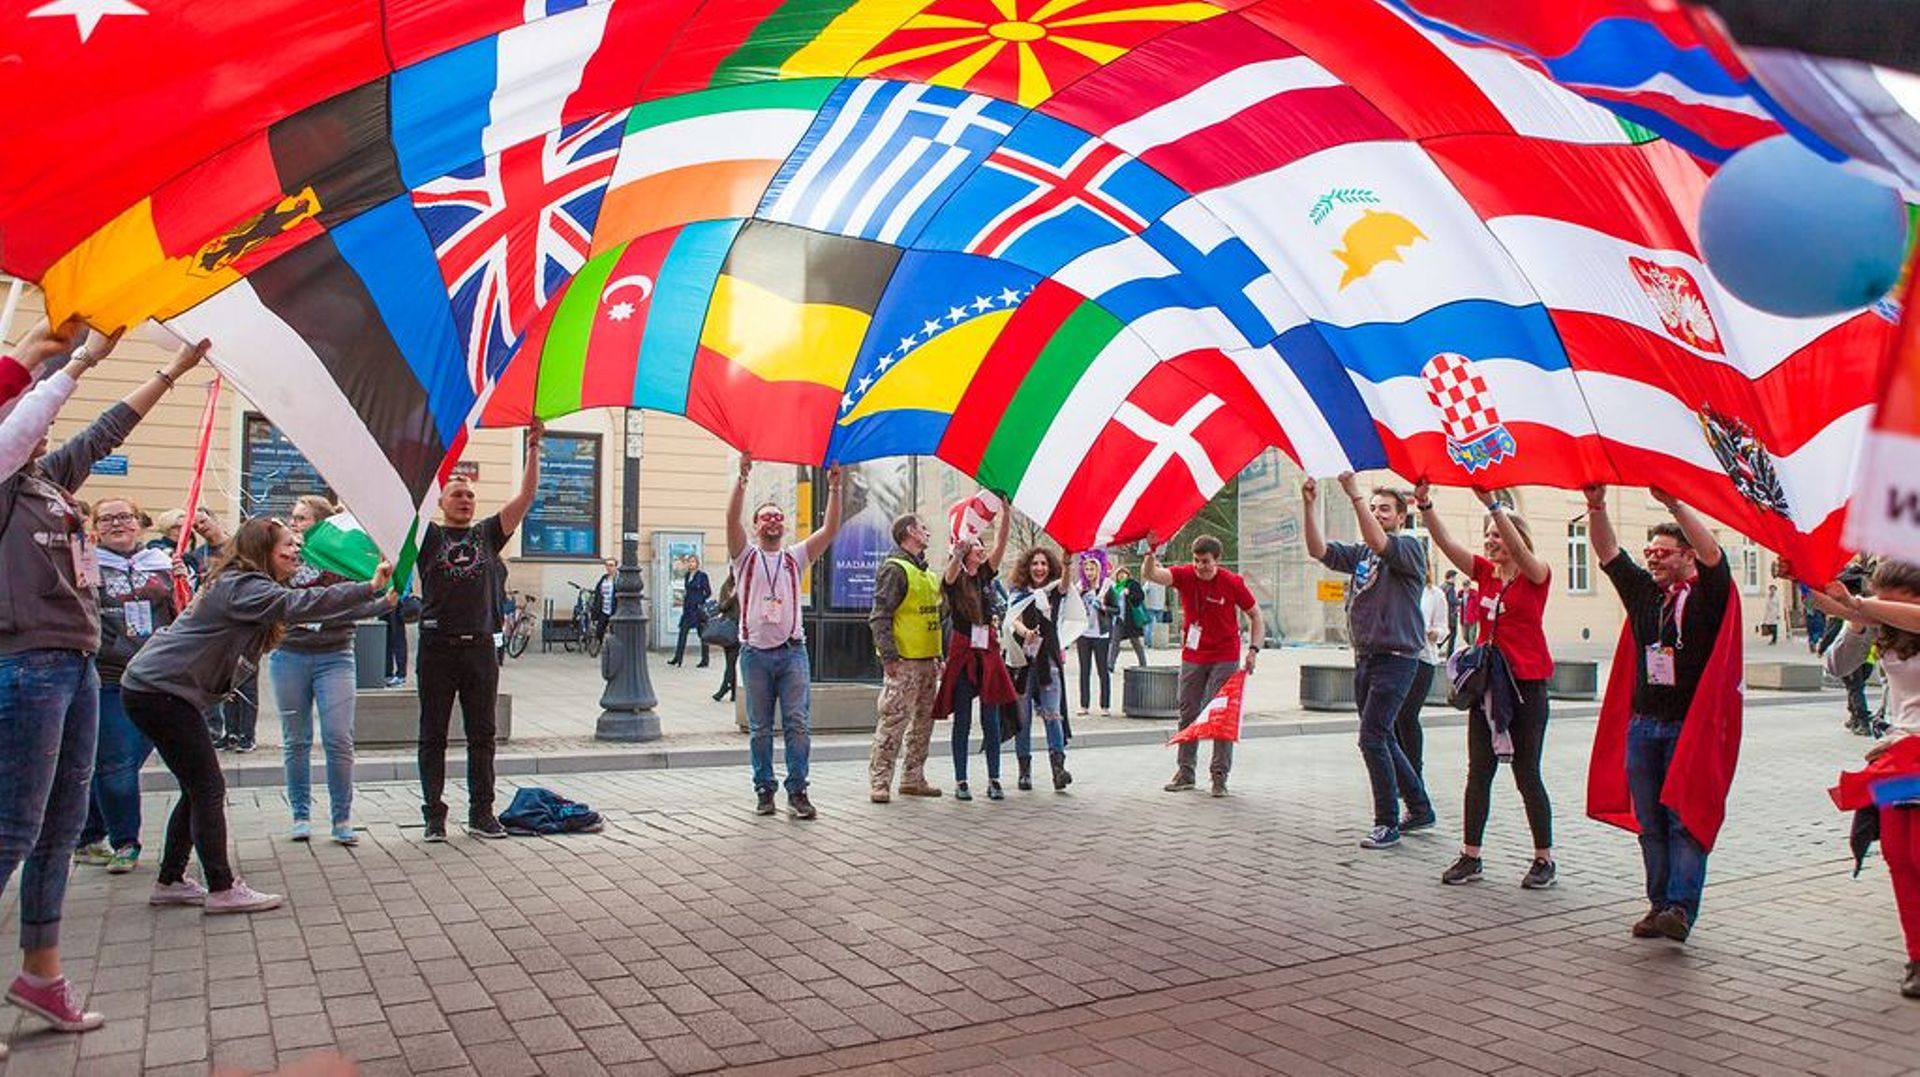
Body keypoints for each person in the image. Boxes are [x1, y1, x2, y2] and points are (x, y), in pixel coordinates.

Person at [0, 330, 198, 1043]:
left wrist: (172, 371)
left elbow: (106, 430)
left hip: (74, 663)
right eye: (27, 406)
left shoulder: (46, 480)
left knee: (58, 827)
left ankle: (40, 975)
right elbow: (22, 421)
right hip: (25, 664)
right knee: (12, 828)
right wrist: (74, 360)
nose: (42, 419)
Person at [123, 518, 396, 914]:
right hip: (160, 691)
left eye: (297, 544)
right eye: (288, 545)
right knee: (207, 788)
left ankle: (171, 880)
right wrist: (368, 586)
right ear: (261, 549)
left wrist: (378, 601)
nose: (297, 551)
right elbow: (300, 605)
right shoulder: (243, 586)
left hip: (160, 690)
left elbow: (305, 609)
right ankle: (221, 887)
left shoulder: (247, 585)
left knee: (196, 787)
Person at [1585, 484, 1741, 944]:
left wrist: (1676, 503)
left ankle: (1680, 907)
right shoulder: (1645, 596)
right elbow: (1608, 551)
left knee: (1683, 818)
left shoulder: (1708, 595)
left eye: (1663, 552)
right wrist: (1596, 506)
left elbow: (1713, 555)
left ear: (1687, 556)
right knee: (1651, 822)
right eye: (1649, 551)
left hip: (1689, 728)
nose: (1652, 559)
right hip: (1643, 725)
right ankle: (1658, 905)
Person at [1416, 485, 1558, 890]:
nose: (1490, 541)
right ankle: (1471, 856)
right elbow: (1446, 542)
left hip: (1525, 685)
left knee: (1527, 773)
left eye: (1497, 535)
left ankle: (1544, 859)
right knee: (1479, 771)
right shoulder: (1484, 573)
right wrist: (1425, 505)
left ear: (1517, 538)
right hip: (1487, 688)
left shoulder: (1536, 574)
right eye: (1487, 535)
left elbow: (1523, 554)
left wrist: (1495, 507)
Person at [416, 423, 542, 841]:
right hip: (437, 648)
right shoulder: (427, 536)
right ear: (441, 502)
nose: (465, 500)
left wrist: (533, 448)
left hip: (480, 649)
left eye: (470, 495)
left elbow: (525, 499)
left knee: (482, 736)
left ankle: (481, 813)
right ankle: (434, 816)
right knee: (432, 736)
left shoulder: (487, 534)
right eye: (457, 494)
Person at [1303, 472, 1435, 849]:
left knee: (1372, 737)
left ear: (1401, 517)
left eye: (1385, 510)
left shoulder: (1409, 548)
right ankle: (1420, 807)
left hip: (1397, 657)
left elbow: (1380, 542)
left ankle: (1386, 822)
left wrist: (1355, 495)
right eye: (1374, 508)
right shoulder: (1362, 555)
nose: (1377, 514)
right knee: (1383, 735)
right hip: (1366, 657)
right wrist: (1309, 505)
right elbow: (1318, 550)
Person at [1814, 561, 1920, 999]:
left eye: (1893, 602)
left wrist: (1857, 604)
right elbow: (1837, 665)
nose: (1883, 608)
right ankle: (1917, 957)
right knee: (1899, 854)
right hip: (1901, 758)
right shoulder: (1881, 626)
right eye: (1880, 598)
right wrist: (1851, 617)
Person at [727, 457, 845, 819]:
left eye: (778, 517)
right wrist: (742, 479)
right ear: (755, 526)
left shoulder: (795, 557)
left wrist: (835, 487)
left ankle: (798, 791)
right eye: (766, 517)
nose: (773, 521)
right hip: (755, 654)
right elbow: (730, 520)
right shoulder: (745, 557)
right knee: (760, 729)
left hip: (793, 653)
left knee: (797, 724)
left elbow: (830, 529)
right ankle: (765, 790)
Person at [273, 495, 389, 845]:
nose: (294, 524)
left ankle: (341, 818)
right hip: (289, 655)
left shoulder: (343, 558)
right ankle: (300, 815)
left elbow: (356, 605)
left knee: (338, 738)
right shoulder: (284, 560)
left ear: (323, 525)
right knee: (296, 740)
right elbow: (276, 604)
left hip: (335, 655)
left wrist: (384, 600)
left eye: (302, 519)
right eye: (293, 518)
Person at [74, 497, 178, 876]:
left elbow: (178, 612)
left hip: (154, 677)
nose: (117, 524)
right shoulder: (85, 561)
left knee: (123, 761)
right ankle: (125, 842)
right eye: (107, 519)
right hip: (110, 676)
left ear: (139, 522)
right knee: (117, 762)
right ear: (95, 528)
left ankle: (87, 835)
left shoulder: (161, 563)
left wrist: (183, 580)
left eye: (125, 516)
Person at [1144, 535, 1262, 797]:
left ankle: (1219, 775)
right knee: (1188, 710)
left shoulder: (1232, 582)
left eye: (1206, 561)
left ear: (1217, 560)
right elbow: (1151, 574)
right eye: (1196, 560)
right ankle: (1185, 772)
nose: (1200, 566)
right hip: (1194, 655)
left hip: (1225, 655)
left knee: (1221, 714)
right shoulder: (1185, 575)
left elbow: (1255, 615)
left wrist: (1253, 650)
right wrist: (1151, 551)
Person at [936, 512, 1015, 802]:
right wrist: (958, 552)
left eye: (982, 544)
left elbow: (1001, 544)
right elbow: (948, 577)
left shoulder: (984, 575)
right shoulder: (955, 578)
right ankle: (961, 780)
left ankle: (994, 779)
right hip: (963, 651)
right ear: (966, 551)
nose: (982, 549)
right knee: (963, 719)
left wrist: (1006, 514)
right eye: (977, 545)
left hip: (987, 651)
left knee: (991, 718)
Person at [867, 513, 945, 802]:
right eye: (923, 528)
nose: (928, 533)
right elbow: (880, 616)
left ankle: (913, 778)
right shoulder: (895, 569)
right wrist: (889, 658)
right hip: (904, 662)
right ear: (910, 531)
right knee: (893, 723)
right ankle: (880, 781)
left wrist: (938, 655)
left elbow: (933, 618)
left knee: (923, 724)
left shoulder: (925, 573)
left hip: (927, 661)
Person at [1009, 547, 1074, 792]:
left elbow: (1065, 585)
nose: (1039, 568)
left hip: (1048, 660)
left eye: (1044, 564)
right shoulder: (1018, 593)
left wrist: (1067, 563)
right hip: (1023, 661)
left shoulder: (1054, 591)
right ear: (1027, 567)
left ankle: (1058, 768)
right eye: (1035, 563)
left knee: (1052, 714)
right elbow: (1013, 619)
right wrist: (1026, 632)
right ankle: (1024, 771)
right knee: (1023, 717)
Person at [1389, 564, 1448, 791]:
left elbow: (1443, 628)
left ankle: (1414, 775)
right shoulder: (1395, 587)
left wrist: (1435, 633)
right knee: (1393, 717)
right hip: (1395, 657)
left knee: (1407, 714)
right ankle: (1399, 776)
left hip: (1422, 658)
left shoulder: (1434, 594)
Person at [1073, 553, 1113, 716]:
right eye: (1086, 569)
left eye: (1092, 569)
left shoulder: (1106, 587)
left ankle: (1105, 705)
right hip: (1084, 634)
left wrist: (1104, 607)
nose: (1089, 572)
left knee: (1102, 670)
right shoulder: (1080, 587)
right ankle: (1084, 705)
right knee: (1084, 670)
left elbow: (1116, 609)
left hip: (1101, 634)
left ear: (1098, 570)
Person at [669, 555, 712, 667]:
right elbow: (687, 590)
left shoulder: (702, 576)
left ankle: (705, 660)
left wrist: (700, 600)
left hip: (697, 610)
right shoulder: (687, 575)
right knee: (682, 632)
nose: (691, 564)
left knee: (702, 635)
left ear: (697, 563)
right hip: (688, 609)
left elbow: (708, 592)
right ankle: (678, 658)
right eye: (689, 562)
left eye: (693, 561)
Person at [1106, 566, 1149, 672]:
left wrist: (1130, 593)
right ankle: (1110, 665)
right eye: (1119, 575)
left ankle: (1143, 663)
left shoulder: (1132, 584)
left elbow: (1140, 596)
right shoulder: (1115, 587)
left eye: (1123, 574)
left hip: (1131, 620)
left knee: (1136, 642)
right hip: (1119, 619)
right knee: (1115, 642)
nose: (1121, 576)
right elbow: (1110, 602)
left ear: (1128, 575)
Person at [711, 575, 740, 703]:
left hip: (741, 629)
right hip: (728, 628)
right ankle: (732, 691)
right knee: (730, 661)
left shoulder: (746, 583)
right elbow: (722, 607)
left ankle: (725, 688)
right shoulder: (726, 586)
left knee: (731, 661)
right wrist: (733, 597)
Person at [589, 557, 618, 643]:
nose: (609, 568)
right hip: (604, 610)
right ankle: (601, 645)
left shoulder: (618, 579)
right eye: (607, 565)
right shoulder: (603, 579)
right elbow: (598, 593)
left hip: (614, 610)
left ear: (616, 567)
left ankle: (613, 647)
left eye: (611, 565)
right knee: (599, 630)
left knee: (614, 631)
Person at [1442, 569, 1462, 657]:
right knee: (1452, 634)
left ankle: (1438, 646)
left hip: (1444, 614)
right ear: (1451, 577)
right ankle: (1449, 655)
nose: (1455, 579)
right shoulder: (1450, 587)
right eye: (1454, 577)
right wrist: (1460, 601)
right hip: (1451, 615)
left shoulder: (1442, 586)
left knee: (1447, 633)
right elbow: (1452, 600)